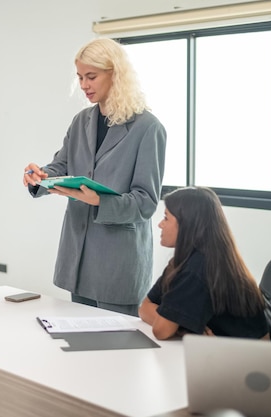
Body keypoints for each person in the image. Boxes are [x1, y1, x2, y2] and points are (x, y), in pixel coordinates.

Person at [23, 38, 166, 316]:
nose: (84, 85)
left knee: (115, 351)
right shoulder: (81, 121)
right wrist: (39, 177)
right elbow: (60, 166)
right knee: (80, 344)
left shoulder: (148, 128)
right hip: (78, 256)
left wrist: (99, 201)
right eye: (80, 77)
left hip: (117, 262)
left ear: (116, 74)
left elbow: (146, 203)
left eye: (91, 76)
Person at [139, 186, 269, 340]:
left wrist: (174, 326)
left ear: (187, 224)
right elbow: (145, 307)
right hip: (221, 352)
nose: (160, 224)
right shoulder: (186, 261)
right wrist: (183, 328)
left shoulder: (198, 268)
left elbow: (161, 331)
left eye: (166, 217)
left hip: (246, 357)